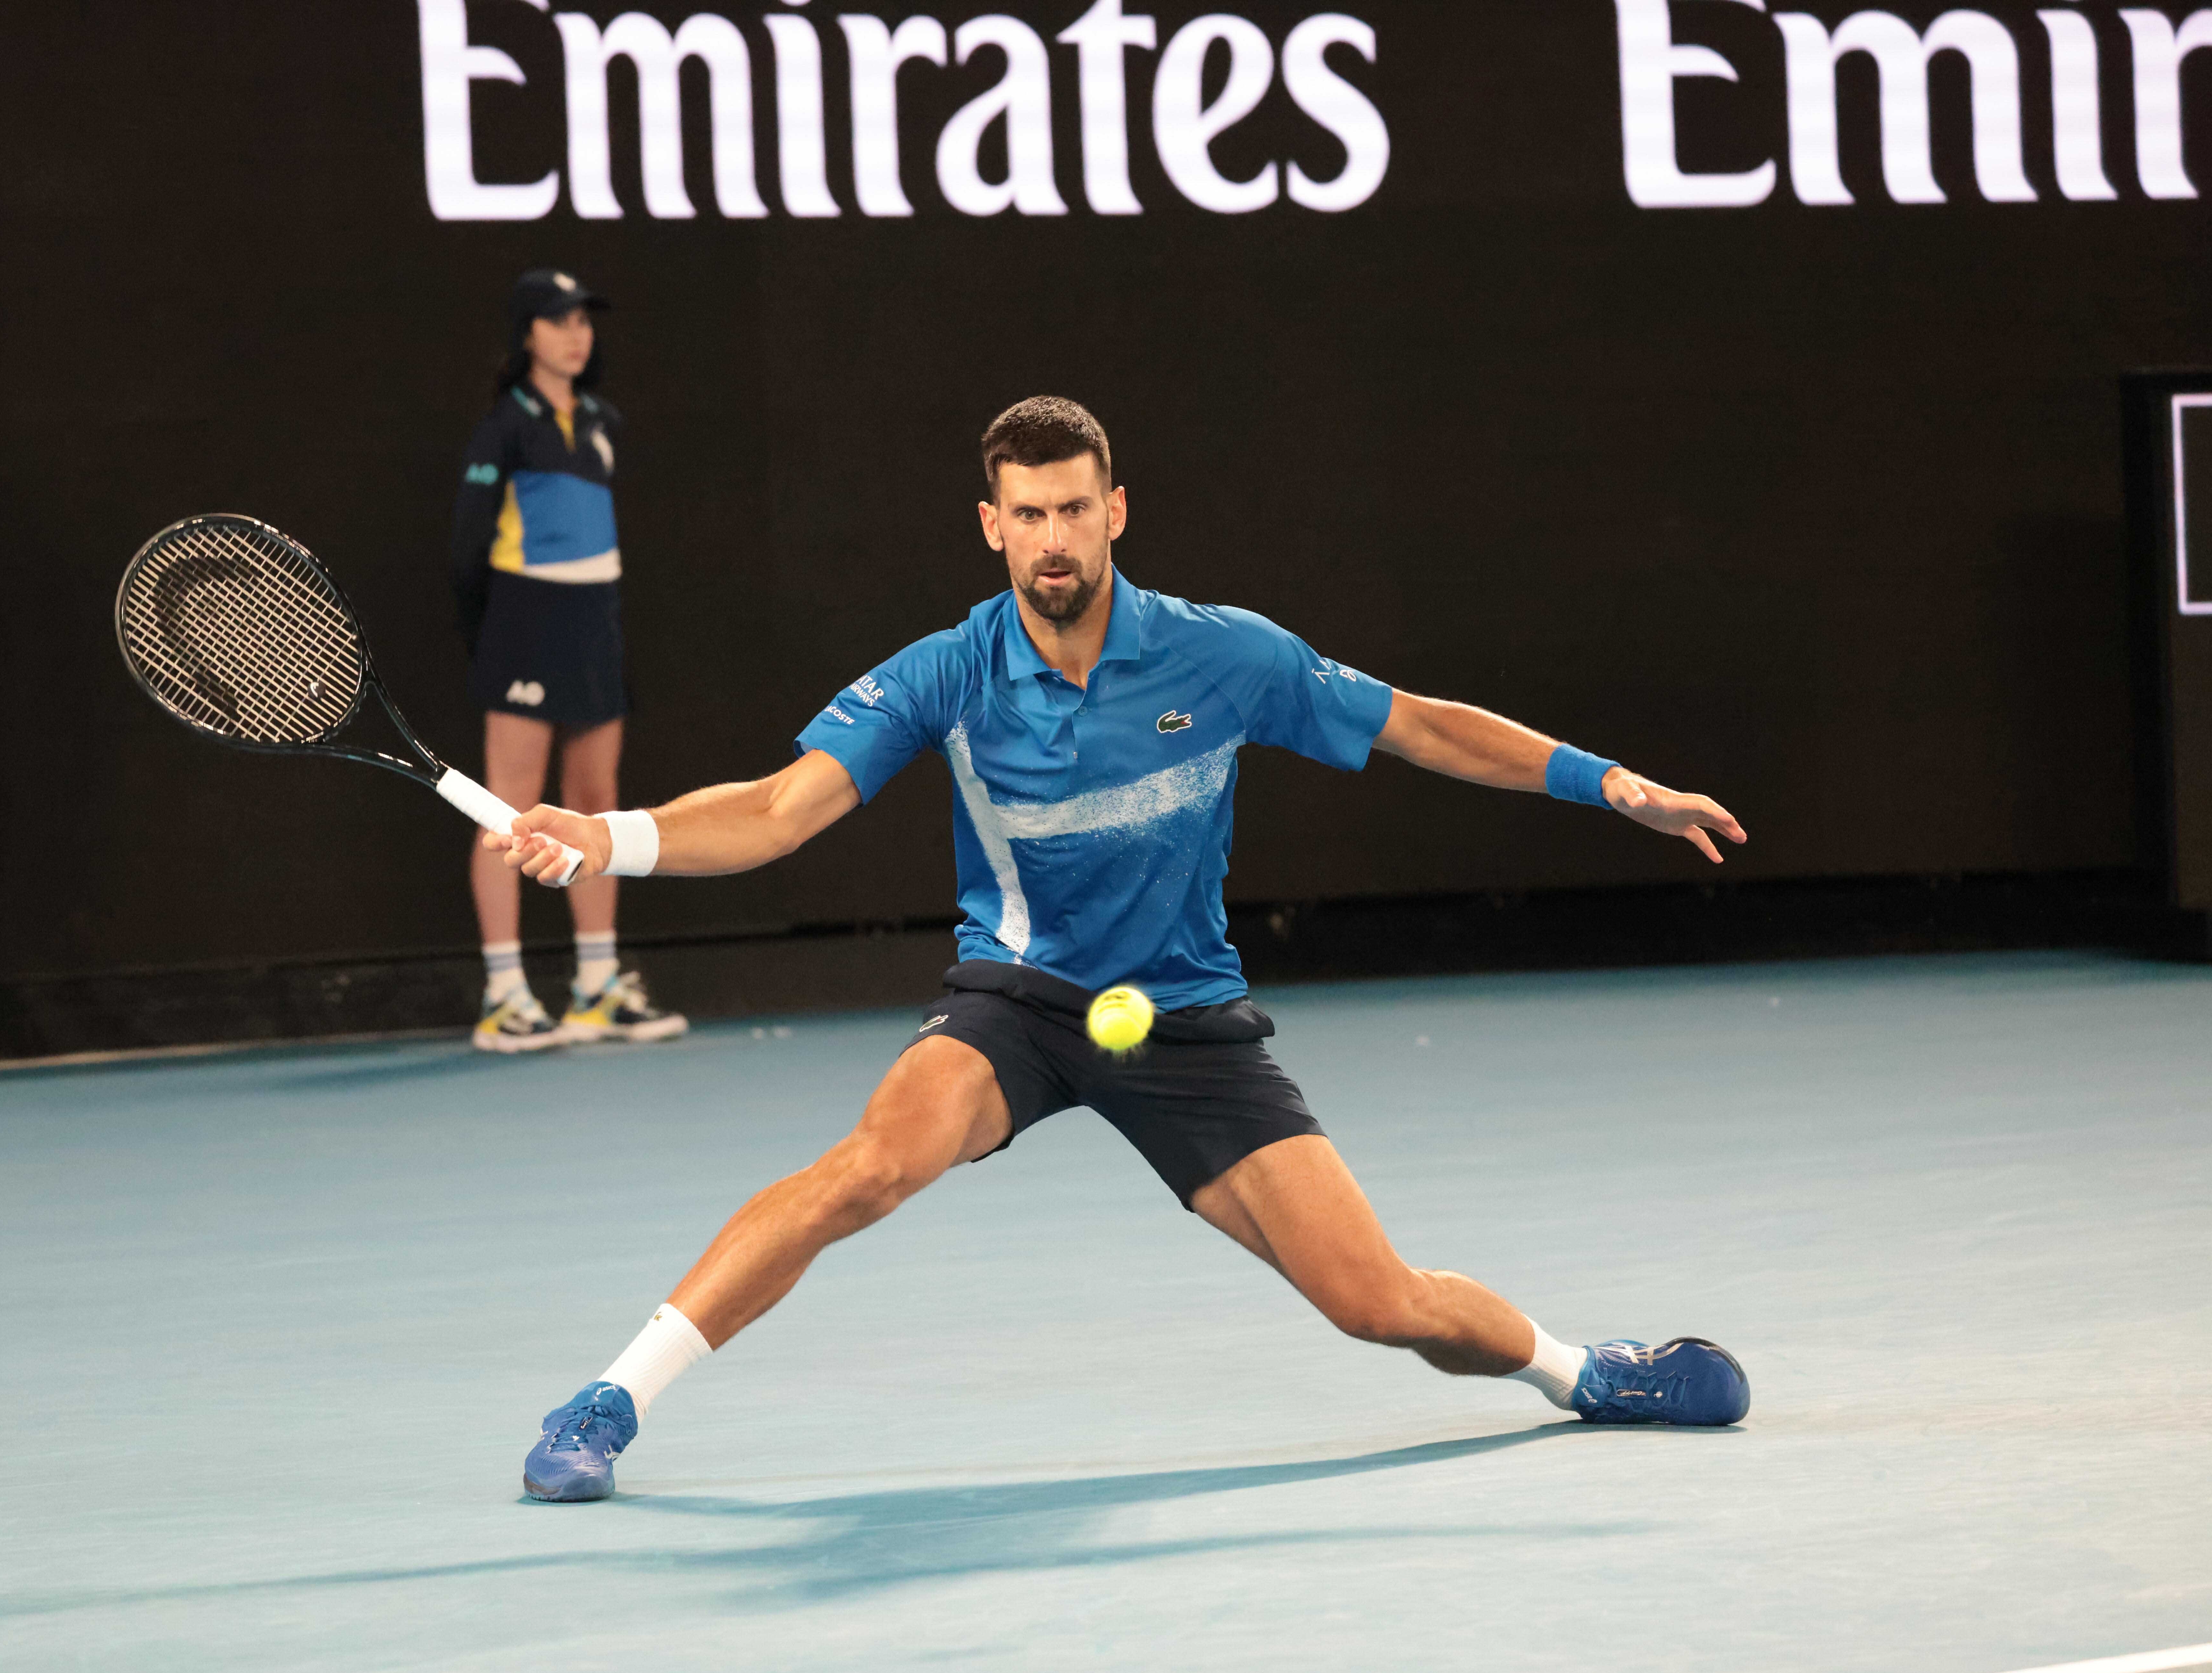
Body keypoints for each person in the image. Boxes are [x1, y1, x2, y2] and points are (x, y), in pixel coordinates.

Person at [490, 396, 1751, 1502]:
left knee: (1379, 1303)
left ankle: (1587, 1373)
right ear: (991, 524)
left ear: (1115, 514)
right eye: (1026, 513)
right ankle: (607, 1400)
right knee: (869, 1166)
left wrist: (1609, 785)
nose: (1051, 537)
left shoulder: (1223, 655)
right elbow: (777, 808)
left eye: (1073, 510)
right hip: (1018, 1002)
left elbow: (1418, 728)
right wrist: (607, 837)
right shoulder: (946, 675)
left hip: (1188, 1020)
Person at [447, 268, 687, 1053]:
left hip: (595, 622)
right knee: (507, 811)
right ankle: (505, 992)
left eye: (583, 318)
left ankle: (595, 986)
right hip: (523, 621)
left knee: (597, 801)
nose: (576, 332)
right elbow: (466, 551)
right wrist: (491, 638)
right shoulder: (504, 428)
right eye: (558, 320)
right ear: (528, 337)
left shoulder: (601, 420)